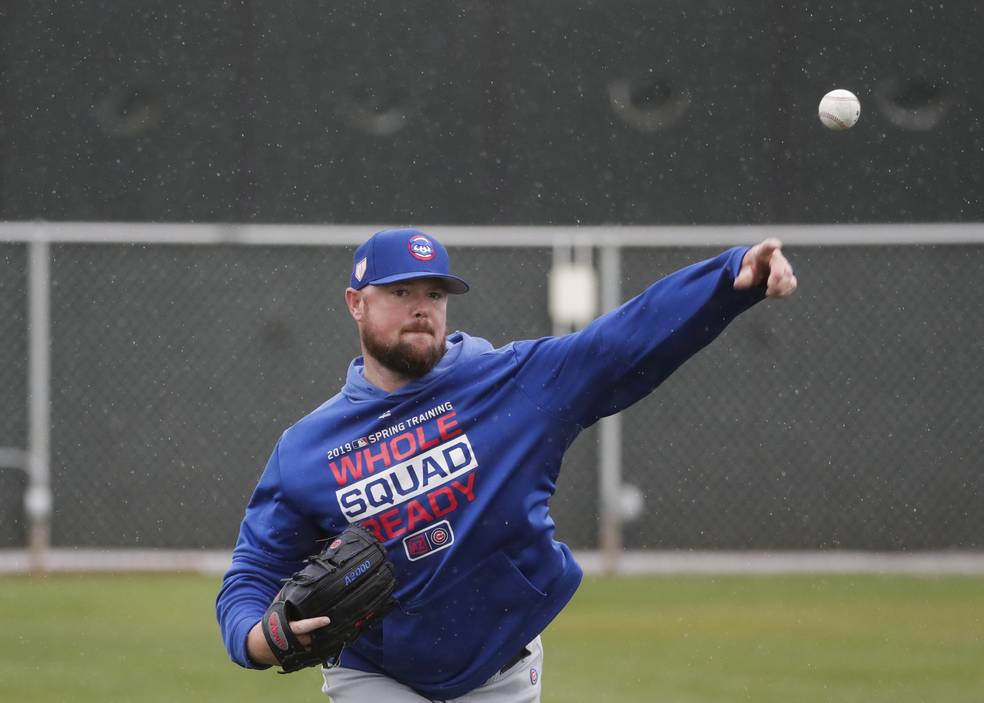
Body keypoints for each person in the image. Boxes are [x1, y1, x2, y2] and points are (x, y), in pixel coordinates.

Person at [216, 227, 797, 702]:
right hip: (376, 675)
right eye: (401, 292)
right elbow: (254, 571)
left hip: (503, 667)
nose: (422, 309)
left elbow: (622, 343)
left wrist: (728, 281)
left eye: (435, 295)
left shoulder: (511, 384)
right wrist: (255, 638)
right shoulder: (308, 448)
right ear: (355, 303)